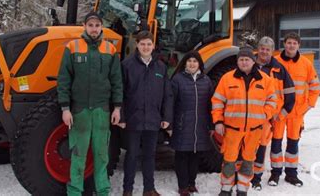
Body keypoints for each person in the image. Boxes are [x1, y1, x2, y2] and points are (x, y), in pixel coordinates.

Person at [57, 11, 123, 196]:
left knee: (102, 156)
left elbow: (116, 80)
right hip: (80, 111)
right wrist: (65, 108)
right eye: (91, 25)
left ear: (101, 27)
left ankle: (103, 191)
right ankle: (75, 191)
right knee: (78, 155)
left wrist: (117, 107)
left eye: (97, 25)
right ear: (85, 26)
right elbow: (64, 80)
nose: (94, 29)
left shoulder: (109, 49)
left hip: (102, 111)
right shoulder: (72, 47)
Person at [211, 46, 277, 196]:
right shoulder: (227, 78)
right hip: (232, 129)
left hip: (254, 130)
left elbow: (273, 101)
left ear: (253, 61)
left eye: (247, 59)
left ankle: (242, 188)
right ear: (237, 62)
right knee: (229, 160)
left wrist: (264, 115)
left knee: (248, 161)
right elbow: (217, 101)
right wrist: (218, 121)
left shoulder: (265, 80)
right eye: (241, 59)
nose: (244, 62)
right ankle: (226, 188)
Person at [120, 30, 173, 196]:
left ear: (153, 46)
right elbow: (120, 92)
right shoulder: (127, 65)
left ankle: (149, 189)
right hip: (133, 118)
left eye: (149, 44)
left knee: (150, 156)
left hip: (153, 118)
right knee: (132, 155)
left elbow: (167, 94)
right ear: (137, 45)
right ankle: (127, 190)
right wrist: (121, 116)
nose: (145, 47)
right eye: (142, 44)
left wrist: (166, 117)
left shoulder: (161, 67)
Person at [270, 32, 320, 187]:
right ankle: (275, 174)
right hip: (279, 112)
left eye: (294, 43)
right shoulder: (275, 62)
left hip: (297, 113)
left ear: (299, 45)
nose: (291, 45)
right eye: (289, 42)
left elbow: (315, 87)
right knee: (276, 144)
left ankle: (291, 174)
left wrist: (307, 106)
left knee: (293, 144)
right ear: (284, 44)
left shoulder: (306, 64)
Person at [251, 36, 296, 191]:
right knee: (248, 147)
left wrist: (279, 115)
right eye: (262, 48)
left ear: (272, 51)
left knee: (263, 146)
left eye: (267, 49)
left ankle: (257, 177)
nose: (264, 52)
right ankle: (245, 176)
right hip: (250, 116)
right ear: (258, 49)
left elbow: (290, 95)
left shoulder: (279, 69)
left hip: (269, 118)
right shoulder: (249, 65)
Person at [170, 51, 214, 196]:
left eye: (195, 61)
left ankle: (191, 183)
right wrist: (170, 124)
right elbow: (171, 103)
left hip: (200, 125)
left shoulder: (206, 80)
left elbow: (210, 105)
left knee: (195, 155)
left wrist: (212, 125)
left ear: (199, 64)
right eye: (189, 61)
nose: (192, 64)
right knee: (182, 155)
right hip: (182, 124)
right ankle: (183, 186)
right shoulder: (177, 80)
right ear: (185, 63)